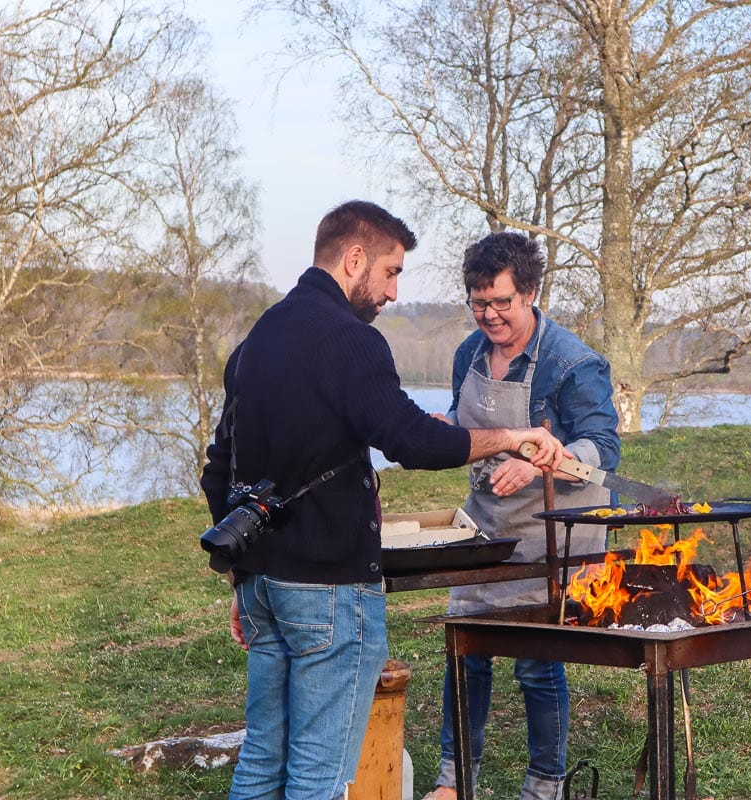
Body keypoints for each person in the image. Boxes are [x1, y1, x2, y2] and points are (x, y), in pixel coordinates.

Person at [199, 201, 566, 800]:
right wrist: (512, 437)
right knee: (319, 774)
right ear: (354, 259)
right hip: (330, 591)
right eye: (392, 271)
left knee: (262, 762)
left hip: (263, 585)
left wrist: (243, 575)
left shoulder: (258, 338)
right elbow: (413, 440)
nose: (394, 291)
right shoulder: (350, 341)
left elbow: (220, 468)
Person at [423, 232, 621, 800]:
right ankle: (454, 780)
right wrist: (448, 435)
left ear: (531, 292)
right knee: (466, 650)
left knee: (536, 662)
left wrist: (543, 464)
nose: (489, 315)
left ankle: (545, 785)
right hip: (486, 523)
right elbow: (476, 434)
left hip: (554, 530)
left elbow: (605, 449)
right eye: (478, 302)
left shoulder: (573, 362)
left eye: (501, 303)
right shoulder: (468, 353)